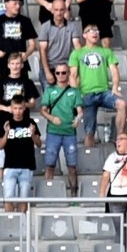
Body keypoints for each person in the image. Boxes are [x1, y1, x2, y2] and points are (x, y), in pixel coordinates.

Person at [68, 23, 127, 147]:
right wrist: (76, 96)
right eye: (91, 30)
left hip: (104, 92)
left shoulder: (106, 51)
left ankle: (120, 137)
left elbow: (114, 70)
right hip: (87, 94)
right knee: (90, 132)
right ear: (84, 35)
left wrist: (115, 87)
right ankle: (89, 157)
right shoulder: (77, 53)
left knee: (122, 104)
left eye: (96, 30)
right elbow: (72, 76)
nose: (95, 33)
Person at [0, 52, 38, 182]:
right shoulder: (1, 81)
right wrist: (6, 108)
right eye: (13, 64)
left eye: (18, 63)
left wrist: (23, 105)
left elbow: (33, 103)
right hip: (5, 120)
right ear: (8, 65)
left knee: (23, 148)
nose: (15, 66)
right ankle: (3, 180)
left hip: (23, 121)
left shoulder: (27, 82)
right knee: (2, 150)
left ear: (22, 65)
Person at [40, 62, 83, 196]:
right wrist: (52, 118)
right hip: (53, 132)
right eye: (57, 73)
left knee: (72, 166)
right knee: (50, 164)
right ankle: (48, 194)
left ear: (68, 74)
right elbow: (43, 110)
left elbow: (80, 111)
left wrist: (78, 119)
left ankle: (74, 196)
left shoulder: (74, 92)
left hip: (70, 132)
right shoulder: (49, 90)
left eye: (63, 72)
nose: (60, 75)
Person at [0, 96, 41, 213]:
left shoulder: (31, 123)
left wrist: (33, 134)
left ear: (24, 109)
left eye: (20, 108)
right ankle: (11, 225)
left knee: (24, 199)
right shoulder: (6, 124)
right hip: (10, 165)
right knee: (8, 198)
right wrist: (6, 133)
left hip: (26, 166)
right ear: (11, 109)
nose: (18, 111)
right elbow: (0, 145)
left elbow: (39, 144)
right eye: (15, 108)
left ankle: (22, 226)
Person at [0, 0, 37, 80]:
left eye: (18, 4)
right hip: (2, 63)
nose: (17, 7)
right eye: (14, 4)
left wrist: (26, 54)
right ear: (6, 5)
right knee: (0, 91)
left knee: (23, 90)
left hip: (20, 63)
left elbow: (32, 44)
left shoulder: (25, 21)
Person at [37, 0, 81, 90]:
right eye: (56, 10)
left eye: (61, 10)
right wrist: (47, 72)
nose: (59, 13)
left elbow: (77, 47)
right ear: (52, 10)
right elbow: (42, 50)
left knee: (72, 96)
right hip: (50, 66)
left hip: (67, 66)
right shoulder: (45, 27)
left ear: (65, 10)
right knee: (48, 99)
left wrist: (78, 69)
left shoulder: (72, 26)